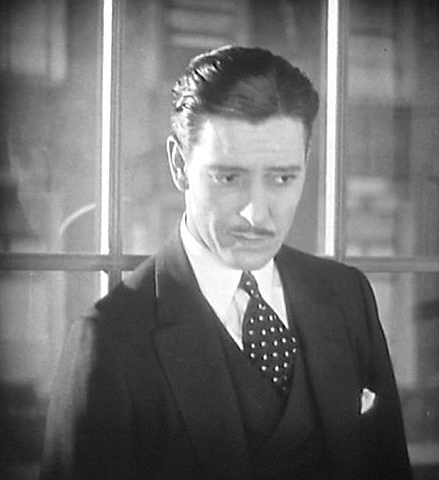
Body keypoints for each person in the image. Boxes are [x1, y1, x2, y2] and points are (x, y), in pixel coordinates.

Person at [41, 46, 411, 480]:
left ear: (306, 165)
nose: (256, 214)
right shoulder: (109, 341)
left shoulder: (347, 296)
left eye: (282, 177)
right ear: (179, 165)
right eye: (229, 177)